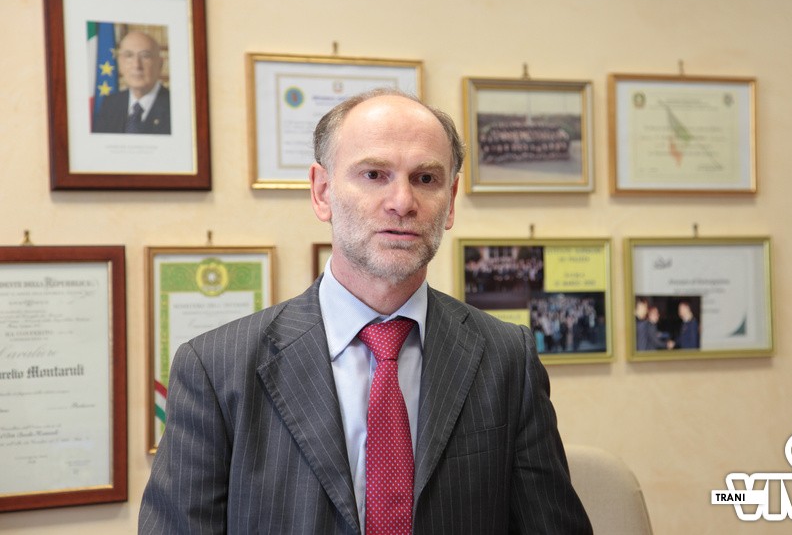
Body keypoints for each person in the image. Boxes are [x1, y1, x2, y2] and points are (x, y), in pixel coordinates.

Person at [138, 89, 591, 534]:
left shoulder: (507, 358)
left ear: (451, 200)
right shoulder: (216, 368)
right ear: (322, 192)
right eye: (374, 174)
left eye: (425, 179)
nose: (402, 202)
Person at [93, 31, 171, 134]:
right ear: (120, 63)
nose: (136, 65)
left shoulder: (175, 106)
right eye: (129, 56)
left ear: (160, 64)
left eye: (145, 56)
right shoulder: (110, 104)